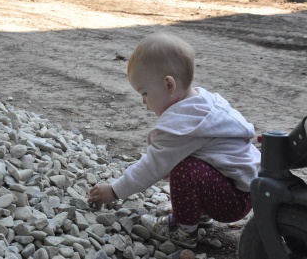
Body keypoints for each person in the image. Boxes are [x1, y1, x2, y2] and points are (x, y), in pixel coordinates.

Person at [88, 32, 260, 249]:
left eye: (145, 93)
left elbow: (151, 166)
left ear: (169, 85)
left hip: (232, 203)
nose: (143, 102)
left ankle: (184, 231)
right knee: (186, 161)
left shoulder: (181, 127)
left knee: (184, 168)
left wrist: (114, 191)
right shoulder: (205, 102)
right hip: (246, 191)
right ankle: (197, 214)